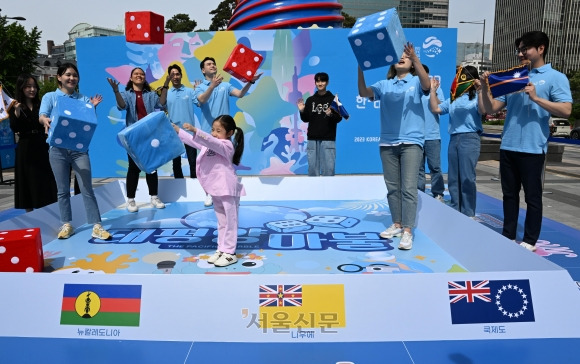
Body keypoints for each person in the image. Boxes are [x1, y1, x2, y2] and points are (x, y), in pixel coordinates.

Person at [479, 31, 572, 252]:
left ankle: (530, 240)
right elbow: (489, 108)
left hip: (533, 148)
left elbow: (567, 110)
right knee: (509, 195)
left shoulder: (555, 77)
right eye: (519, 50)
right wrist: (484, 87)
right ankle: (508, 235)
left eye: (525, 49)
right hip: (508, 146)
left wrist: (537, 98)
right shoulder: (513, 77)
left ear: (540, 49)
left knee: (532, 197)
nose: (521, 53)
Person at [357, 43, 430, 250]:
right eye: (398, 56)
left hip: (411, 142)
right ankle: (397, 224)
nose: (401, 58)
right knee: (393, 188)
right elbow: (363, 92)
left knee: (408, 188)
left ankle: (408, 230)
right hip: (387, 143)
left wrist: (415, 58)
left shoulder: (416, 82)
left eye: (405, 56)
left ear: (411, 63)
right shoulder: (384, 85)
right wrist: (360, 69)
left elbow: (426, 85)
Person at [38, 63, 111, 240]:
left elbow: (88, 122)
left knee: (87, 188)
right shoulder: (50, 96)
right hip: (57, 149)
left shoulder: (84, 99)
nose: (72, 78)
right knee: (62, 190)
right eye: (68, 75)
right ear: (59, 77)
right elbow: (42, 115)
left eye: (75, 75)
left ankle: (97, 225)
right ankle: (67, 224)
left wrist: (92, 108)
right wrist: (44, 120)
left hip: (79, 150)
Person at [172, 115, 246, 267]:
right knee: (221, 222)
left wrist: (196, 130)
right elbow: (194, 141)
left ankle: (230, 252)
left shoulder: (226, 145)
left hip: (228, 188)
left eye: (219, 130)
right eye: (213, 130)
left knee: (231, 221)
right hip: (216, 189)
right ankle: (222, 248)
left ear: (230, 133)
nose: (214, 133)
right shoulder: (209, 145)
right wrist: (179, 130)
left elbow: (210, 141)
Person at [193, 56, 262, 207]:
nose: (212, 65)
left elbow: (240, 94)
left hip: (224, 136)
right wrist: (211, 86)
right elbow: (202, 100)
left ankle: (228, 192)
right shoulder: (199, 87)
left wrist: (250, 81)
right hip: (208, 134)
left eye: (214, 63)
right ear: (203, 70)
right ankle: (208, 193)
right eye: (208, 64)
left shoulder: (225, 85)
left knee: (225, 165)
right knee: (208, 165)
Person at [107, 67, 169, 213]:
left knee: (152, 167)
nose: (139, 76)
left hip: (149, 135)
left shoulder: (150, 94)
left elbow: (161, 104)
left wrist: (165, 86)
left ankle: (154, 197)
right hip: (133, 136)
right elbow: (122, 106)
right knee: (133, 168)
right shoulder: (126, 94)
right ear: (131, 78)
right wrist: (116, 91)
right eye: (136, 74)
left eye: (141, 74)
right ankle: (131, 200)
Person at [429, 65, 485, 218]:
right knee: (453, 178)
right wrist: (433, 91)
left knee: (467, 177)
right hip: (454, 139)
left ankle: (468, 213)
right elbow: (436, 109)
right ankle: (455, 211)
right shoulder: (454, 99)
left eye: (463, 77)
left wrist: (480, 90)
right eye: (458, 77)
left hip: (470, 138)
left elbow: (483, 110)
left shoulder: (475, 98)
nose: (459, 80)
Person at [8, 74, 57, 212]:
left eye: (34, 86)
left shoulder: (41, 104)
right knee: (27, 181)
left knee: (45, 179)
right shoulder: (14, 106)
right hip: (26, 147)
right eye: (28, 86)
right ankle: (30, 214)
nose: (32, 89)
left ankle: (49, 210)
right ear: (21, 88)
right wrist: (17, 111)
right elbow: (15, 128)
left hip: (42, 144)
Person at [297, 72, 343, 176]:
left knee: (328, 170)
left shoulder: (333, 100)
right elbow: (306, 119)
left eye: (322, 81)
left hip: (328, 139)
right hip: (312, 139)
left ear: (327, 82)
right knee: (313, 171)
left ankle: (330, 191)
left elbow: (339, 118)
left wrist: (331, 114)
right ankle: (313, 192)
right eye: (317, 81)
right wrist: (302, 110)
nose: (320, 83)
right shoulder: (310, 100)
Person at [165, 64, 199, 179]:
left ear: (181, 75)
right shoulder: (166, 93)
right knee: (176, 163)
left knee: (193, 161)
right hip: (173, 132)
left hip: (189, 131)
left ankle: (196, 184)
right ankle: (178, 183)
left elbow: (199, 103)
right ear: (169, 77)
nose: (175, 76)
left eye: (177, 74)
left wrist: (198, 91)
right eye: (172, 74)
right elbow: (160, 107)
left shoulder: (190, 91)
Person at [418, 64, 445, 202]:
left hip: (432, 135)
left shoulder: (436, 88)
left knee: (435, 167)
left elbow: (441, 106)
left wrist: (433, 91)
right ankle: (419, 194)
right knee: (418, 169)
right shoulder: (414, 89)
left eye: (425, 75)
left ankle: (438, 193)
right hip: (416, 136)